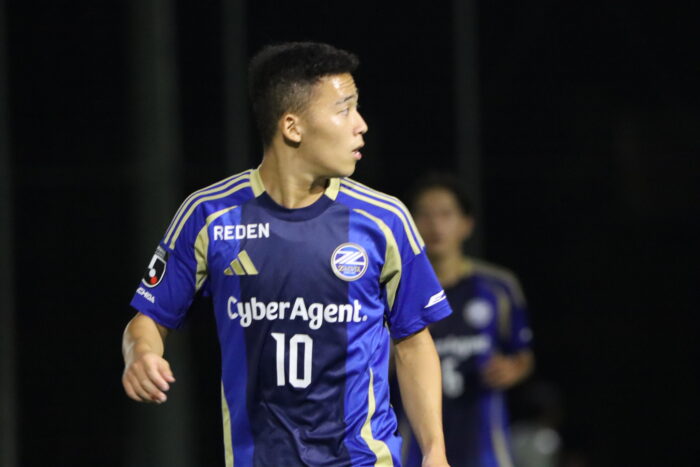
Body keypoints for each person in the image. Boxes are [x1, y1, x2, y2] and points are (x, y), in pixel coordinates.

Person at [121, 42, 452, 467]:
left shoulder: (384, 219)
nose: (361, 125)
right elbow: (148, 318)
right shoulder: (208, 215)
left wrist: (435, 451)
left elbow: (412, 342)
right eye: (345, 110)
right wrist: (141, 353)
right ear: (292, 127)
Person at [396, 173, 534, 467]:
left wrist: (512, 368)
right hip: (413, 445)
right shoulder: (395, 289)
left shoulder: (498, 287)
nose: (435, 226)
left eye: (446, 214)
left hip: (484, 442)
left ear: (466, 224)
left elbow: (523, 356)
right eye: (424, 214)